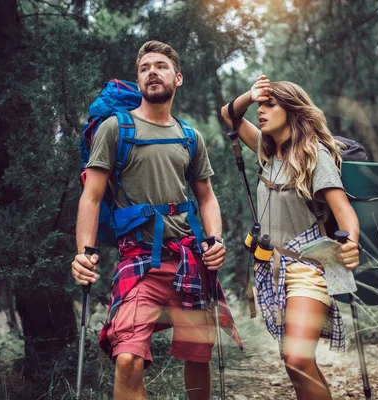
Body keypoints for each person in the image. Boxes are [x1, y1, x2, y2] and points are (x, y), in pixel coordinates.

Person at [72, 40, 242, 400]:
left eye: (161, 66)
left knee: (197, 355)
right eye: (145, 67)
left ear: (177, 78)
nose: (152, 71)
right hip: (139, 260)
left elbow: (206, 197)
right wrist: (83, 253)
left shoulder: (190, 136)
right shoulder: (116, 129)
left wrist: (216, 241)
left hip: (189, 257)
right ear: (138, 80)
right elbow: (92, 195)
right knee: (128, 358)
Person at [220, 75, 360, 400]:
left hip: (309, 267)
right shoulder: (264, 150)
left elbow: (344, 212)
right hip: (272, 268)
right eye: (260, 105)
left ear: (292, 110)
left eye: (270, 104)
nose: (261, 110)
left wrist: (350, 242)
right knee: (293, 359)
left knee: (297, 358)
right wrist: (250, 94)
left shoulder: (314, 156)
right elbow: (229, 115)